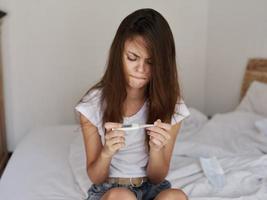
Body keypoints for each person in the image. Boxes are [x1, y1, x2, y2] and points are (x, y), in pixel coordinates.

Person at [75, 8, 190, 200]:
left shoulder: (172, 104)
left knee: (176, 196)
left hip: (153, 188)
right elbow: (96, 177)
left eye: (151, 62)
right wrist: (107, 152)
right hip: (110, 190)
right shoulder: (93, 104)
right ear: (118, 54)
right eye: (132, 58)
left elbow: (157, 177)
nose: (140, 69)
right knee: (122, 196)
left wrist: (156, 150)